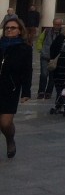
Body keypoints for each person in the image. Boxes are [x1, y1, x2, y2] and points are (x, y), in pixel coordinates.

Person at [1, 16, 32, 158]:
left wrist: (26, 91)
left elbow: (27, 71)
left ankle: (10, 139)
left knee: (6, 123)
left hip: (10, 88)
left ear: (20, 30)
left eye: (12, 28)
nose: (9, 30)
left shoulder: (24, 48)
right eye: (7, 28)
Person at [36, 17, 63, 99]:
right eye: (55, 24)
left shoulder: (63, 33)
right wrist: (41, 49)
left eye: (59, 25)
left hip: (55, 58)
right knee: (44, 74)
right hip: (45, 55)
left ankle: (48, 92)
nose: (57, 26)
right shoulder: (47, 31)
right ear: (53, 24)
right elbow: (40, 40)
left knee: (52, 76)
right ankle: (41, 91)